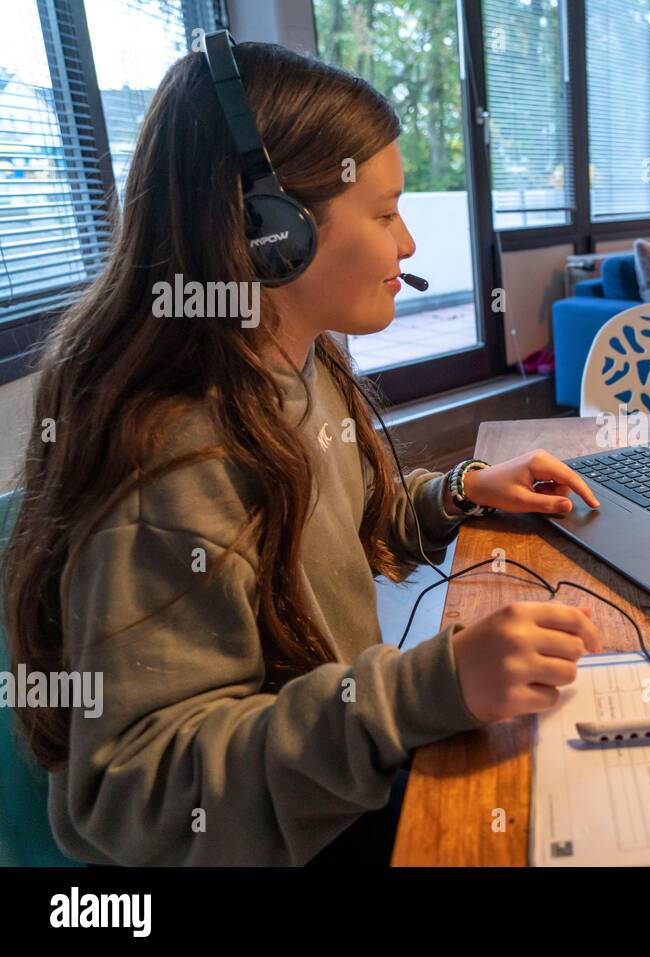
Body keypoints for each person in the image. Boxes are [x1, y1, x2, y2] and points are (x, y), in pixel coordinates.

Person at [1, 40, 603, 866]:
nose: (409, 247)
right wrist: (426, 689)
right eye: (387, 213)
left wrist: (459, 493)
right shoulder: (177, 460)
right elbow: (129, 794)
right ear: (271, 231)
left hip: (328, 777)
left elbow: (347, 522)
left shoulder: (296, 363)